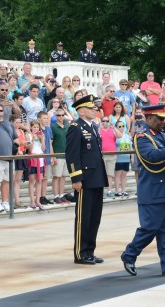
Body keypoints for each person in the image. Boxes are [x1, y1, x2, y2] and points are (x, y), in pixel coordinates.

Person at [120, 104, 165, 277]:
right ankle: (129, 254)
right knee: (150, 228)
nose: (163, 122)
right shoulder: (142, 137)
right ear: (149, 118)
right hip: (152, 191)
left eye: (164, 118)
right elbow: (151, 156)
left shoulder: (163, 136)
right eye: (159, 119)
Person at [65, 94, 108, 265]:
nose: (94, 110)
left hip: (96, 177)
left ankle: (90, 251)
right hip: (85, 179)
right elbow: (72, 155)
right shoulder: (76, 127)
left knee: (94, 217)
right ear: (81, 111)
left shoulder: (93, 126)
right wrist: (76, 178)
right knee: (83, 217)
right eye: (91, 108)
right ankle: (81, 253)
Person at [99, 115, 123, 198]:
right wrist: (100, 127)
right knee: (100, 174)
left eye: (107, 121)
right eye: (103, 121)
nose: (105, 122)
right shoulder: (98, 130)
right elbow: (94, 137)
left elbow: (120, 135)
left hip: (112, 154)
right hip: (101, 155)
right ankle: (100, 191)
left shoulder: (112, 130)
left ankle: (109, 190)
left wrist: (113, 127)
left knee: (110, 174)